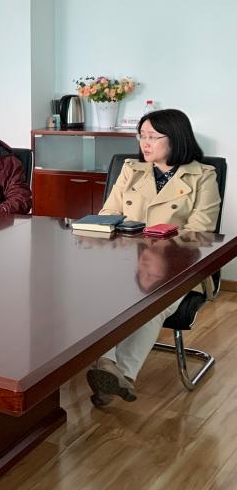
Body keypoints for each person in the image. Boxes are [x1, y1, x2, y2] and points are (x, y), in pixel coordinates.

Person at [87, 108, 221, 407]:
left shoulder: (203, 176)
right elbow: (108, 214)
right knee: (100, 294)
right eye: (142, 136)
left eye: (152, 137)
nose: (144, 143)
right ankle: (109, 367)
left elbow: (201, 232)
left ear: (175, 138)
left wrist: (157, 242)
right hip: (125, 260)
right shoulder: (131, 170)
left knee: (153, 304)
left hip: (179, 266)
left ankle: (120, 374)